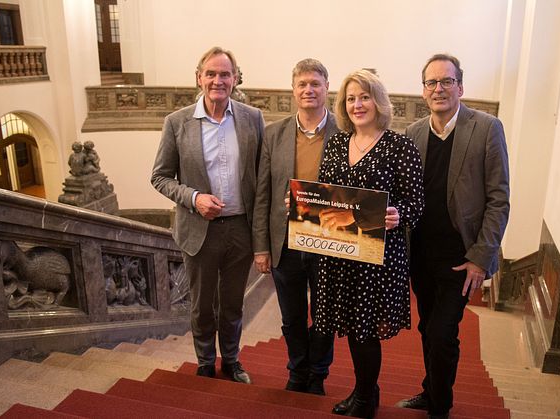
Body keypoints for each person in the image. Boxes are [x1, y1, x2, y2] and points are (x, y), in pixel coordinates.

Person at [396, 54, 510, 419]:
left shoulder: (487, 128)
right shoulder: (413, 133)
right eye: (432, 83)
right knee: (428, 327)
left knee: (444, 332)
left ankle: (440, 408)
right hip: (420, 255)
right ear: (423, 90)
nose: (439, 89)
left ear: (460, 86)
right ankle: (431, 392)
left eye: (447, 81)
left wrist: (481, 256)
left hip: (462, 257)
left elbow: (499, 200)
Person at [151, 46, 265, 384]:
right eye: (211, 74)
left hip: (240, 230)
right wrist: (194, 197)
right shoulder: (177, 122)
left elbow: (262, 174)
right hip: (199, 229)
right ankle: (204, 361)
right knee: (201, 306)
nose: (218, 80)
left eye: (225, 74)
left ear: (235, 79)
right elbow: (159, 176)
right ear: (199, 78)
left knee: (232, 304)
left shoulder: (251, 118)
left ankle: (231, 360)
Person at [314, 69, 424, 418]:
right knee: (350, 327)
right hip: (339, 253)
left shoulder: (398, 145)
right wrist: (303, 205)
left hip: (377, 257)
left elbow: (415, 203)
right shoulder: (335, 143)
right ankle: (365, 390)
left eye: (364, 96)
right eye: (350, 98)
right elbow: (325, 195)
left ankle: (365, 397)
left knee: (365, 331)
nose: (357, 104)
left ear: (378, 101)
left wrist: (394, 214)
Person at [253, 58, 338, 394]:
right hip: (284, 241)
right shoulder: (273, 134)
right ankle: (297, 371)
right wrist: (261, 246)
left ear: (326, 88)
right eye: (302, 84)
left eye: (315, 83)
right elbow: (263, 194)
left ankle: (318, 374)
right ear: (293, 90)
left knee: (325, 316)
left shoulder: (345, 134)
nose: (308, 90)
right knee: (291, 317)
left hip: (329, 240)